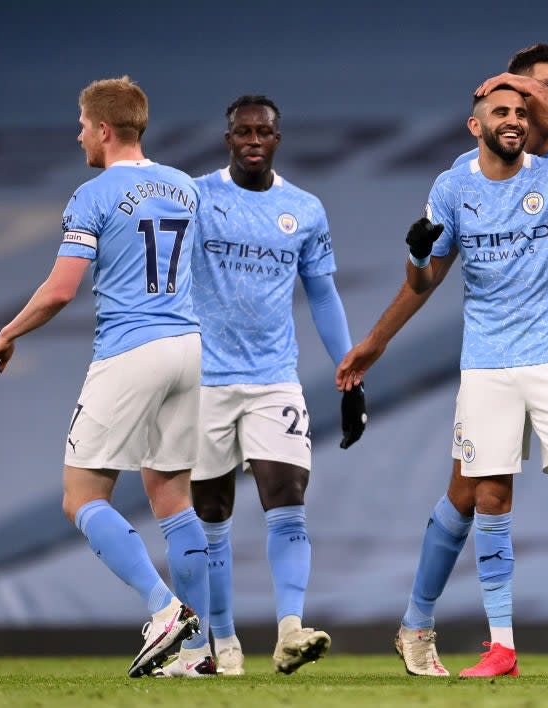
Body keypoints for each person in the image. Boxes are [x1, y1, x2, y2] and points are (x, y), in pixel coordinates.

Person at [336, 43, 548, 677]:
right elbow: (428, 272)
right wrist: (377, 338)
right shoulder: (460, 180)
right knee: (472, 495)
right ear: (493, 111)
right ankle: (423, 624)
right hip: (493, 354)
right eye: (546, 90)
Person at [0, 76, 215, 677]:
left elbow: (60, 290)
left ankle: (164, 610)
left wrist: (7, 333)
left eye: (82, 124)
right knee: (173, 496)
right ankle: (197, 653)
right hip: (188, 347)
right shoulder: (185, 187)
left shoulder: (94, 194)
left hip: (130, 350)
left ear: (103, 129)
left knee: (81, 496)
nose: (78, 134)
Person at [186, 95, 366, 676]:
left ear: (278, 139)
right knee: (211, 513)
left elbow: (322, 294)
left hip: (273, 380)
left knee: (287, 498)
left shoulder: (304, 209)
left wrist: (349, 370)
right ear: (228, 138)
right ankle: (223, 642)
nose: (253, 140)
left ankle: (290, 629)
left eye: (263, 131)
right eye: (243, 131)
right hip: (203, 380)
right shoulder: (195, 198)